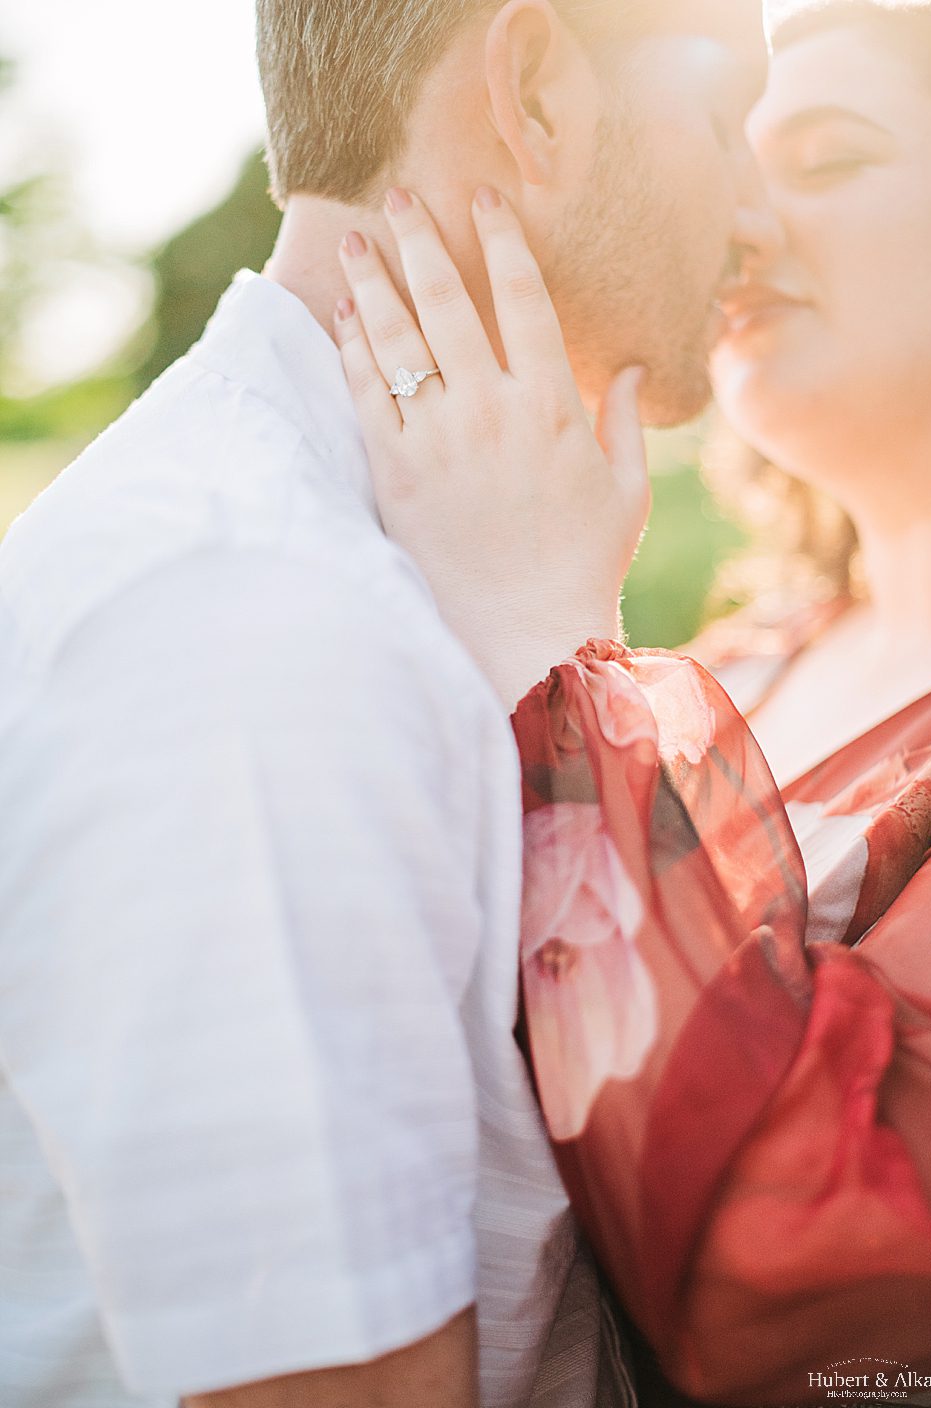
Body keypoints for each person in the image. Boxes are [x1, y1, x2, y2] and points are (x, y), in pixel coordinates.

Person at [0, 2, 781, 1407]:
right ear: (537, 93)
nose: (757, 198)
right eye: (725, 118)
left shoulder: (382, 572)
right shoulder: (252, 623)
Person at [332, 0, 931, 1402]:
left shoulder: (596, 669)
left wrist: (548, 641)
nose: (734, 219)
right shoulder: (744, 658)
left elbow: (822, 1289)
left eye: (831, 158)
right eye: (733, 154)